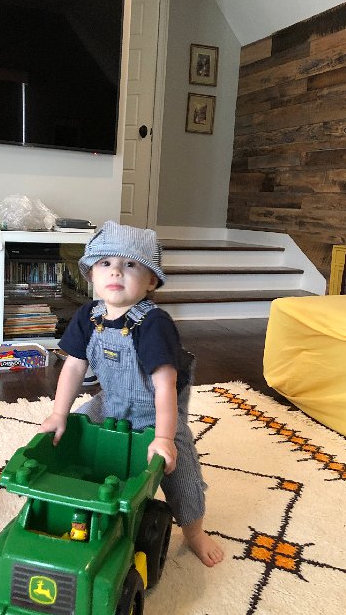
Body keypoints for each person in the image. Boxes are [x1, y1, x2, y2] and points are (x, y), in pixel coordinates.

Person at [40, 221, 224, 567]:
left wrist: (164, 437)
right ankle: (80, 498)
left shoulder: (154, 324)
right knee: (72, 435)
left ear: (151, 280)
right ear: (91, 274)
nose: (116, 272)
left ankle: (195, 531)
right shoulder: (87, 316)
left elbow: (165, 386)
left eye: (130, 264)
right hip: (110, 402)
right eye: (105, 263)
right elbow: (74, 368)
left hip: (157, 413)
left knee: (179, 471)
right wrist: (59, 414)